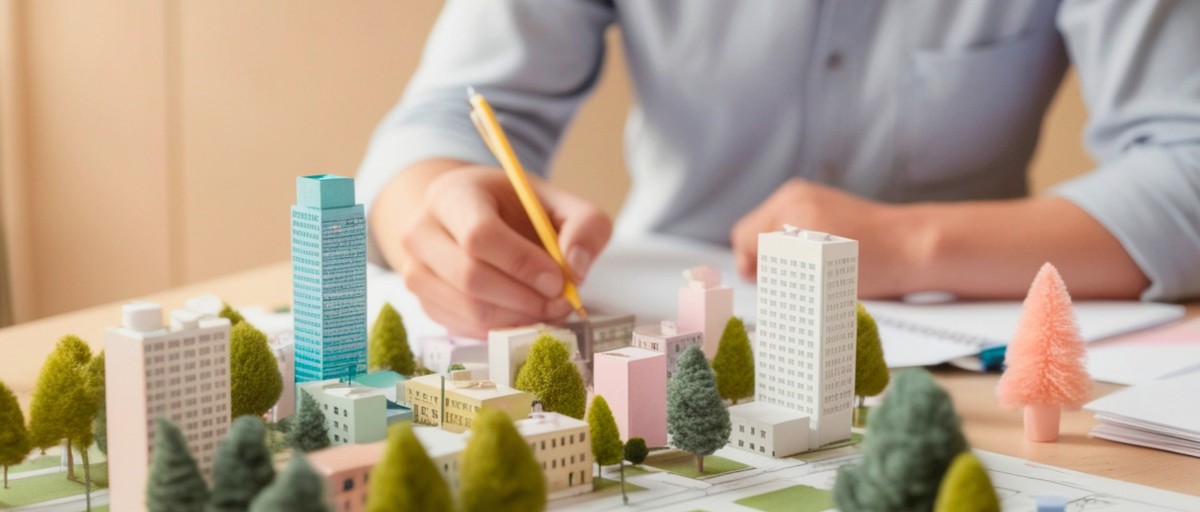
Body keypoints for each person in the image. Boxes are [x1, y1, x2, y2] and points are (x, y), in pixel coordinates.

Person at [358, 1, 1200, 339]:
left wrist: (911, 243)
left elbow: (1188, 163)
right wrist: (429, 211)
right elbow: (440, 120)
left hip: (960, 349)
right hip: (662, 321)